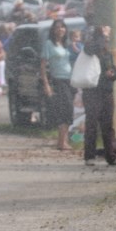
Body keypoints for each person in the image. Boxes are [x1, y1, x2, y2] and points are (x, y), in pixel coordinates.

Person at [82, 21, 116, 166]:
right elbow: (94, 48)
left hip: (106, 91)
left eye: (107, 39)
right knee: (92, 123)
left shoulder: (108, 53)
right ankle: (89, 156)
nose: (106, 41)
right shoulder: (90, 50)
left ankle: (111, 155)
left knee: (108, 125)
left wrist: (113, 74)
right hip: (92, 91)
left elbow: (113, 69)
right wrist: (102, 33)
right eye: (104, 38)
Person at [41, 19, 74, 151]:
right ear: (53, 30)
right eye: (57, 28)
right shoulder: (49, 44)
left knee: (69, 110)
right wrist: (46, 85)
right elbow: (43, 66)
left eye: (62, 27)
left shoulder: (66, 45)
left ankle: (64, 140)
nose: (60, 30)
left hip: (69, 80)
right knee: (63, 108)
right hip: (58, 80)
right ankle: (61, 141)